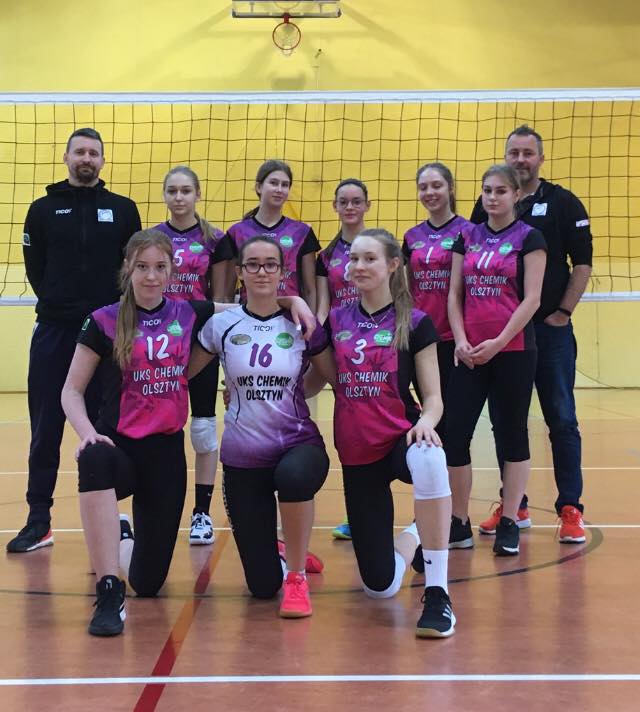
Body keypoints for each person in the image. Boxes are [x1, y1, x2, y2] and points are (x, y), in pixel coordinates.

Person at [61, 230, 314, 636]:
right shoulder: (103, 319)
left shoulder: (189, 312)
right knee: (93, 459)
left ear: (170, 271)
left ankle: (120, 536)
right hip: (118, 447)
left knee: (148, 584)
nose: (151, 276)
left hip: (165, 455)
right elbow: (71, 391)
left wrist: (293, 300)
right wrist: (87, 433)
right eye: (142, 267)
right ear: (128, 269)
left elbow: (251, 303)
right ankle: (108, 589)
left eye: (159, 267)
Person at [309, 227, 456, 638]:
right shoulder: (335, 320)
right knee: (380, 587)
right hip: (357, 450)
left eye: (369, 258)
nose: (358, 266)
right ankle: (416, 533)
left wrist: (426, 422)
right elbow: (318, 381)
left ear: (393, 264)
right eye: (353, 259)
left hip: (400, 437)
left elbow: (433, 398)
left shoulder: (416, 322)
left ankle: (438, 593)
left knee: (430, 458)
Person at [8, 128, 141, 554]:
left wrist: (109, 318)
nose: (86, 158)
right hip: (55, 331)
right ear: (66, 157)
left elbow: (131, 270)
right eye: (79, 152)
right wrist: (60, 304)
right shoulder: (42, 210)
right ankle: (39, 521)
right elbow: (35, 268)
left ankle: (113, 517)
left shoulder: (123, 209)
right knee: (45, 429)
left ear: (102, 160)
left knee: (108, 429)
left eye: (93, 153)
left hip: (106, 334)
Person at [190, 235, 330, 619]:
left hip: (297, 443)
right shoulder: (221, 325)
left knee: (294, 476)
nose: (262, 271)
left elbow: (332, 374)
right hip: (243, 456)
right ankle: (283, 552)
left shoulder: (300, 322)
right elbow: (183, 373)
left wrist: (296, 390)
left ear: (283, 272)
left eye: (271, 264)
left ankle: (297, 577)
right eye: (253, 264)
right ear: (239, 272)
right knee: (262, 587)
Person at [471, 126, 593, 543]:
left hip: (548, 331)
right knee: (506, 420)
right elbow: (473, 259)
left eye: (527, 153)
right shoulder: (488, 203)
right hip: (505, 336)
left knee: (561, 418)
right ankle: (514, 506)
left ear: (540, 158)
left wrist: (563, 312)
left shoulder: (562, 202)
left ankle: (570, 507)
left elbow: (582, 263)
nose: (521, 159)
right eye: (514, 153)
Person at [446, 164, 547, 556]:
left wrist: (499, 342)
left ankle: (509, 520)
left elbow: (532, 299)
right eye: (487, 190)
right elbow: (455, 295)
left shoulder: (530, 237)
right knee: (455, 433)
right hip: (470, 352)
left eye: (500, 191)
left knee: (512, 433)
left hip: (514, 351)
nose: (492, 197)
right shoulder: (467, 236)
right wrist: (460, 340)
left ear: (516, 195)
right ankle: (458, 522)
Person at [152, 166, 233, 546]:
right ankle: (157, 508)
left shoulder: (215, 239)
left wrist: (220, 350)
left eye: (186, 190)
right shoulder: (153, 239)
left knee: (202, 428)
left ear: (198, 194)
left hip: (200, 342)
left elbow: (222, 300)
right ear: (165, 195)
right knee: (159, 428)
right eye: (172, 191)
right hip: (160, 344)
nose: (179, 197)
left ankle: (202, 513)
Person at [403, 163, 475, 551]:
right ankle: (434, 515)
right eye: (423, 187)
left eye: (436, 185)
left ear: (450, 188)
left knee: (455, 434)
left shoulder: (468, 231)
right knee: (430, 431)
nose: (430, 192)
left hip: (454, 343)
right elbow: (405, 289)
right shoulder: (412, 236)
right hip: (422, 343)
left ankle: (459, 521)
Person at [315, 178, 371, 541]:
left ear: (367, 205)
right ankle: (357, 515)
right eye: (344, 202)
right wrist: (317, 344)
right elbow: (324, 306)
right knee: (350, 433)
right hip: (343, 347)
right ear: (335, 207)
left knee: (377, 430)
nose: (350, 207)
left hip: (378, 350)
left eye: (356, 201)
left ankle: (422, 514)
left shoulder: (382, 246)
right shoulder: (327, 256)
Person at [226, 160, 320, 310]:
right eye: (273, 183)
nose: (279, 189)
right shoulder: (236, 232)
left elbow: (310, 290)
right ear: (259, 187)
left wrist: (310, 320)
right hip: (249, 316)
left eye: (285, 185)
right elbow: (228, 291)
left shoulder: (302, 232)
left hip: (290, 315)